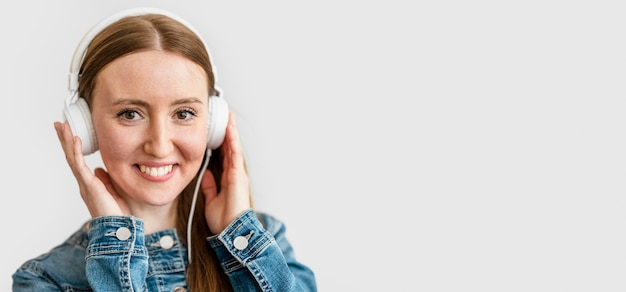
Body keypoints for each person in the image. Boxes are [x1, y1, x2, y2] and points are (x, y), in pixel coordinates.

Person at [12, 7, 316, 292]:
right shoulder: (45, 280)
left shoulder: (264, 243)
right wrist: (116, 248)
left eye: (183, 113)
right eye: (130, 114)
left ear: (212, 124)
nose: (159, 146)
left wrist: (238, 235)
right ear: (85, 126)